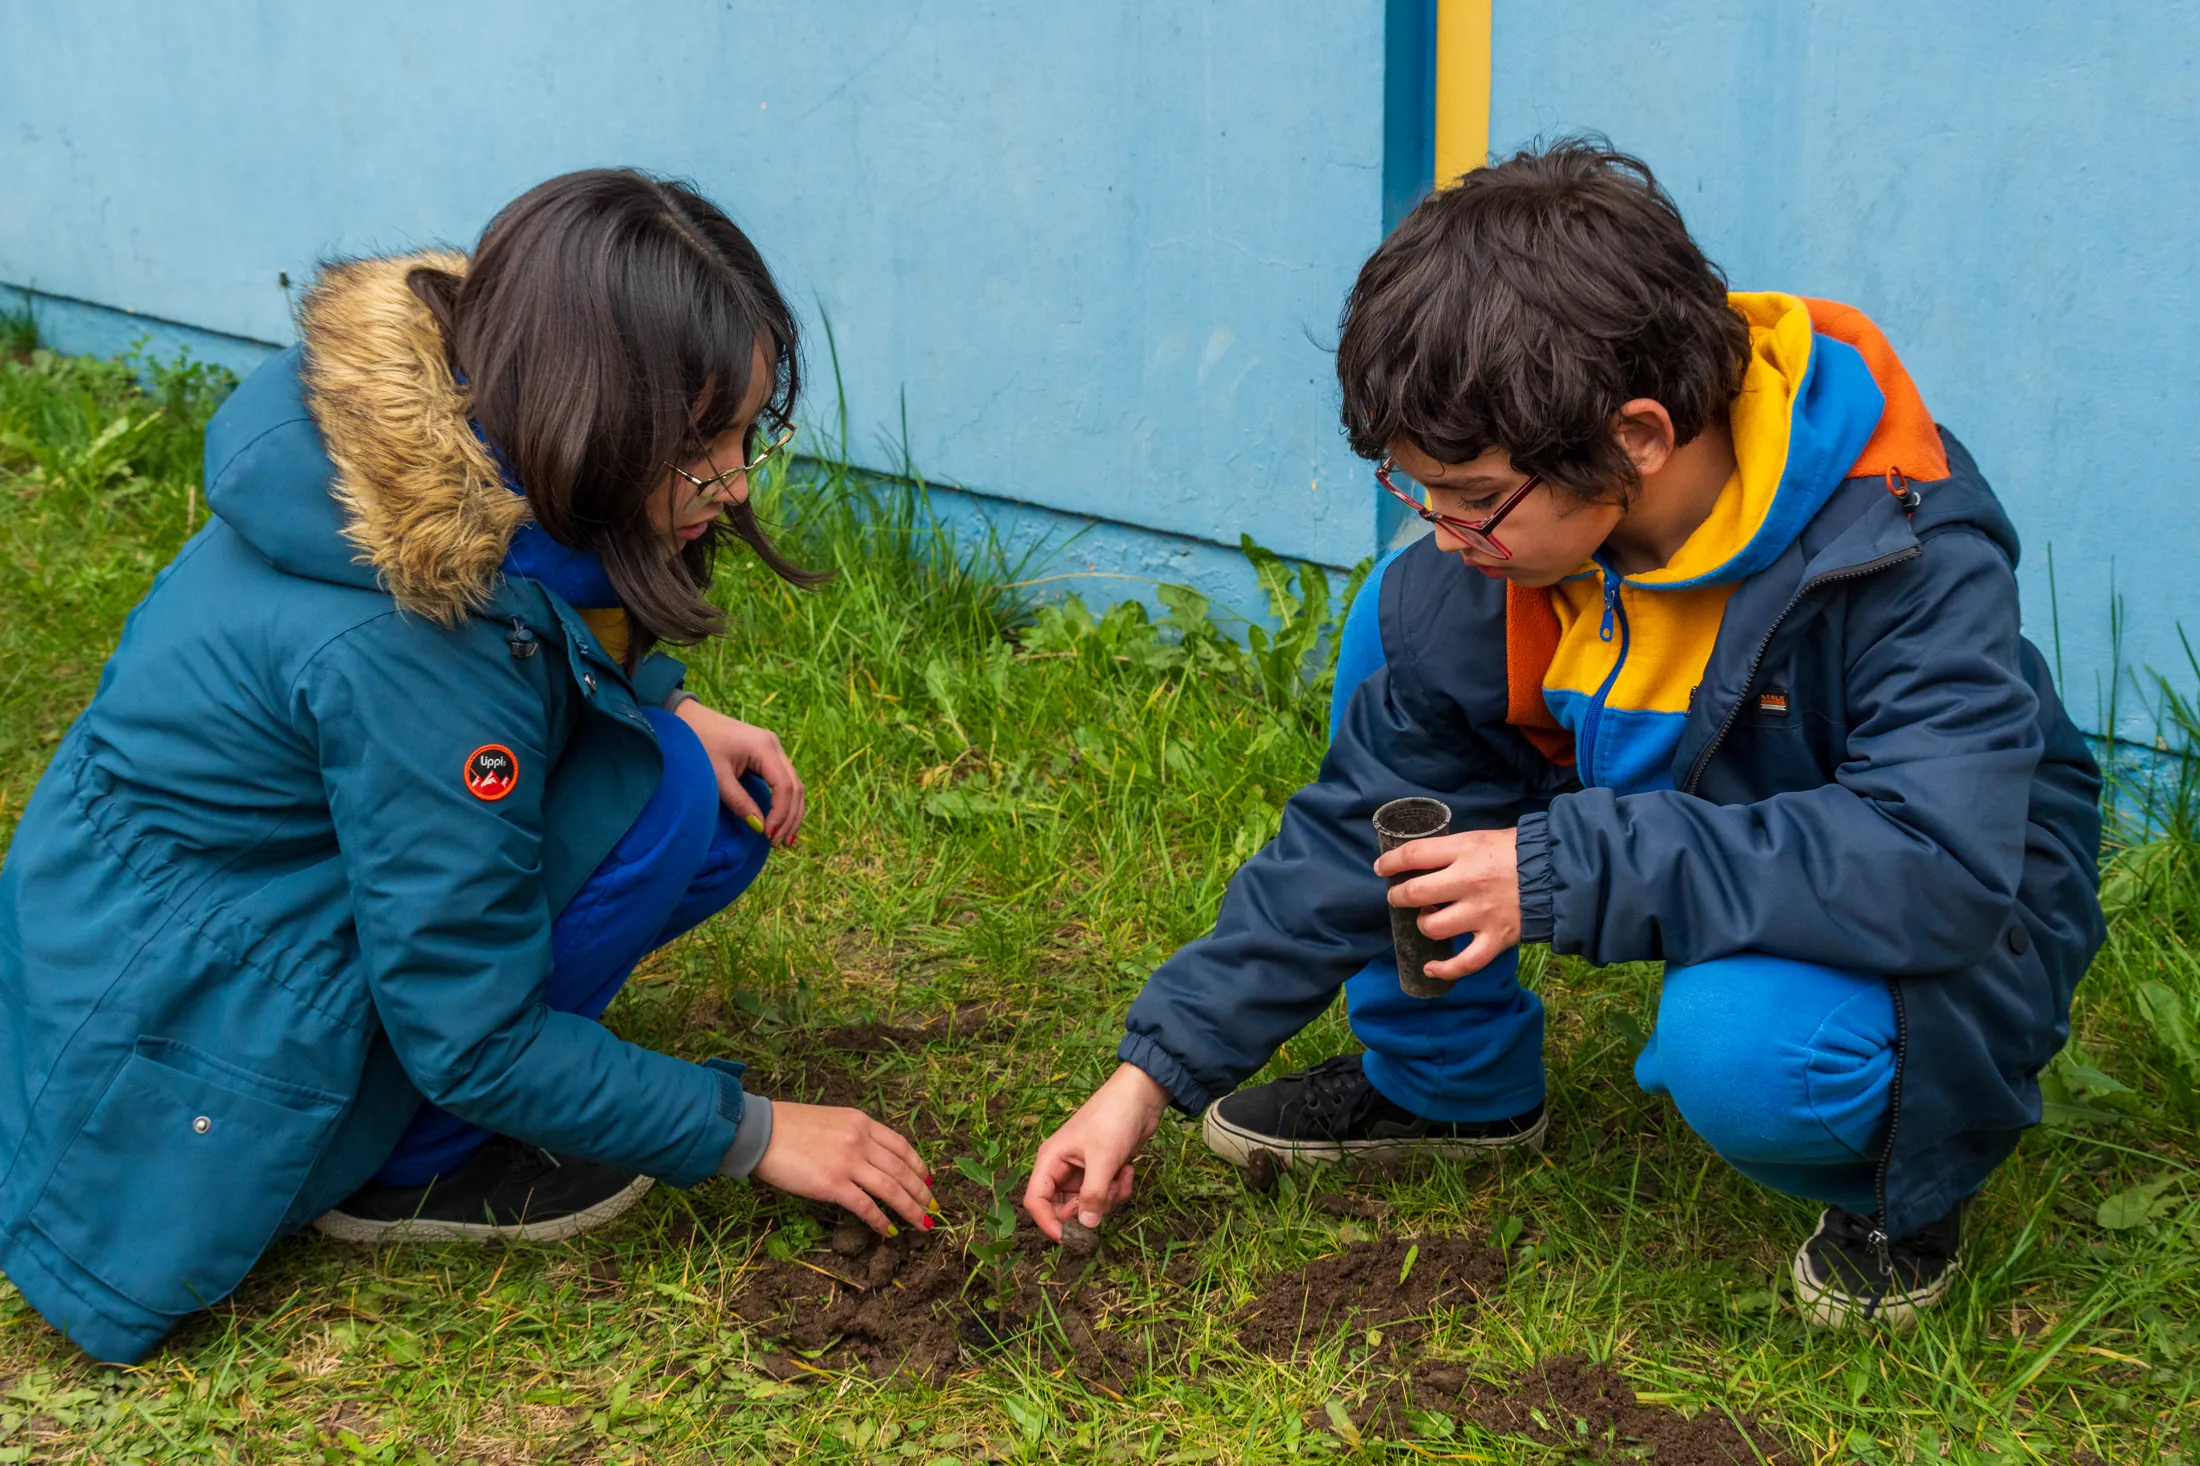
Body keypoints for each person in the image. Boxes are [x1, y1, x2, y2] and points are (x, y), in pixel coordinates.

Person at [1027, 141, 2106, 1328]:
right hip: (1699, 821)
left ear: (1637, 437)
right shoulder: (1506, 551)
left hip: (1943, 893)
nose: (1442, 531)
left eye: (1469, 496)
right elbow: (1357, 832)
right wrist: (1149, 1078)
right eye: (1414, 488)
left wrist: (1552, 870)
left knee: (1742, 1046)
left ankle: (1898, 1184)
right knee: (1394, 626)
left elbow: (1934, 863)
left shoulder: (1901, 545)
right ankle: (1450, 1085)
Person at [0, 170, 936, 1364]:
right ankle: (404, 1167)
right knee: (658, 813)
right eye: (699, 444)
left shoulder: (450, 432)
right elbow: (473, 1034)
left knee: (686, 791)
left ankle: (426, 1105)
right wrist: (751, 1131)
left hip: (184, 914)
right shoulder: (411, 650)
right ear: (580, 409)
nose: (736, 480)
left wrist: (670, 701)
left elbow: (543, 591)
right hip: (174, 1045)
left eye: (747, 429)